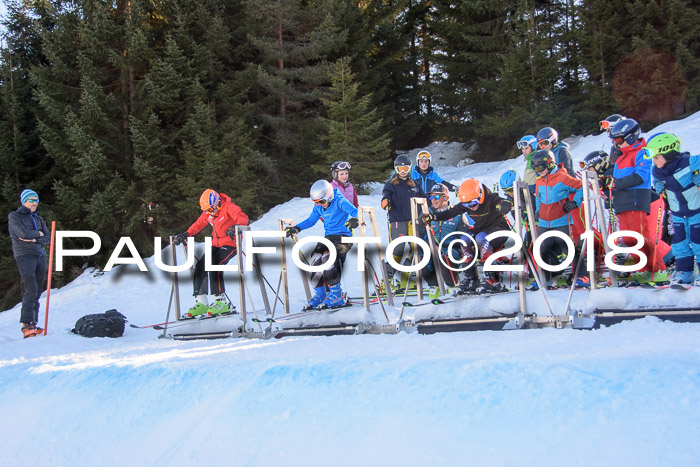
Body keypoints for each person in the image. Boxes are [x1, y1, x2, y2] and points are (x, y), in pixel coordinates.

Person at [423, 178, 511, 293]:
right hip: (482, 230)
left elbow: (502, 202)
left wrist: (505, 204)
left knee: (480, 238)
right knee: (465, 239)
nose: (470, 206)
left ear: (481, 196)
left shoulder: (490, 199)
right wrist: (433, 217)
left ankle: (492, 278)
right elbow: (451, 212)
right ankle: (472, 278)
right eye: (466, 204)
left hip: (499, 229)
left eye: (473, 203)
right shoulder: (469, 202)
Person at [608, 118, 669, 282]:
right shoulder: (620, 156)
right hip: (622, 202)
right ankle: (643, 269)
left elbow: (641, 176)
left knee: (641, 237)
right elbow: (616, 180)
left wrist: (616, 183)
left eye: (618, 139)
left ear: (631, 137)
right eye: (614, 140)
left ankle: (658, 270)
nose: (616, 143)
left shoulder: (642, 152)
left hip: (635, 199)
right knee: (628, 239)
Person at [173, 189, 249, 317]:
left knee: (214, 264)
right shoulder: (209, 213)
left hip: (231, 244)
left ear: (217, 202)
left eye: (210, 209)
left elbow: (243, 217)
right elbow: (199, 224)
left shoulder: (228, 207)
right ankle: (201, 302)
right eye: (206, 210)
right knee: (201, 265)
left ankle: (221, 302)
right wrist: (187, 234)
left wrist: (236, 226)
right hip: (216, 244)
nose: (209, 213)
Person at [285, 180, 359, 309]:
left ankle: (336, 294)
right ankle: (320, 293)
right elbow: (311, 220)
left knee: (328, 257)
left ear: (329, 196)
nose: (320, 205)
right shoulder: (320, 206)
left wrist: (355, 220)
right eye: (316, 203)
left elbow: (356, 212)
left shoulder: (339, 201)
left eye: (322, 202)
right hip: (329, 238)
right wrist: (297, 228)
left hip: (344, 237)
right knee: (315, 258)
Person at [648, 133, 700, 286]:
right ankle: (685, 272)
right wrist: (658, 186)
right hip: (677, 214)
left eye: (657, 156)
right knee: (679, 243)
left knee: (698, 241)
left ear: (668, 153)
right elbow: (657, 181)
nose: (654, 160)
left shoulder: (689, 163)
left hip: (696, 211)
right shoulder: (657, 171)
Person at [529, 150, 584, 289]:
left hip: (561, 220)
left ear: (550, 163)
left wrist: (574, 202)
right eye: (535, 168)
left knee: (568, 247)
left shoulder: (562, 178)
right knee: (542, 249)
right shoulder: (539, 180)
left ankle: (582, 276)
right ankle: (544, 278)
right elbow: (538, 199)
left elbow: (581, 187)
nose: (538, 171)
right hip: (543, 222)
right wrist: (537, 211)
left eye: (540, 168)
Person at [8, 189, 50, 338]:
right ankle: (26, 325)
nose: (34, 203)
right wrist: (37, 235)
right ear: (24, 200)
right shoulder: (15, 216)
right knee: (31, 288)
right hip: (25, 255)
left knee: (38, 290)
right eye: (31, 200)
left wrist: (35, 239)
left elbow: (48, 237)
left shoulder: (38, 218)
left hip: (39, 255)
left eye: (36, 200)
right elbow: (22, 234)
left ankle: (33, 323)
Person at [382, 154, 427, 287]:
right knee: (397, 250)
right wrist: (386, 201)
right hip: (397, 221)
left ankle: (407, 280)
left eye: (406, 168)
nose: (403, 171)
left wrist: (431, 205)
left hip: (413, 221)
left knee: (415, 249)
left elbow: (424, 199)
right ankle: (387, 281)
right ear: (396, 169)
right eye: (400, 168)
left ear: (410, 168)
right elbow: (386, 195)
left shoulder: (415, 184)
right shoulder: (391, 184)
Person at [423, 183, 475, 298]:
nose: (433, 200)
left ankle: (452, 286)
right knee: (422, 256)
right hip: (434, 246)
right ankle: (434, 285)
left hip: (452, 248)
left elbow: (464, 235)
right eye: (431, 197)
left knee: (445, 255)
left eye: (436, 197)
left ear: (445, 197)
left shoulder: (456, 214)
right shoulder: (429, 214)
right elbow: (421, 234)